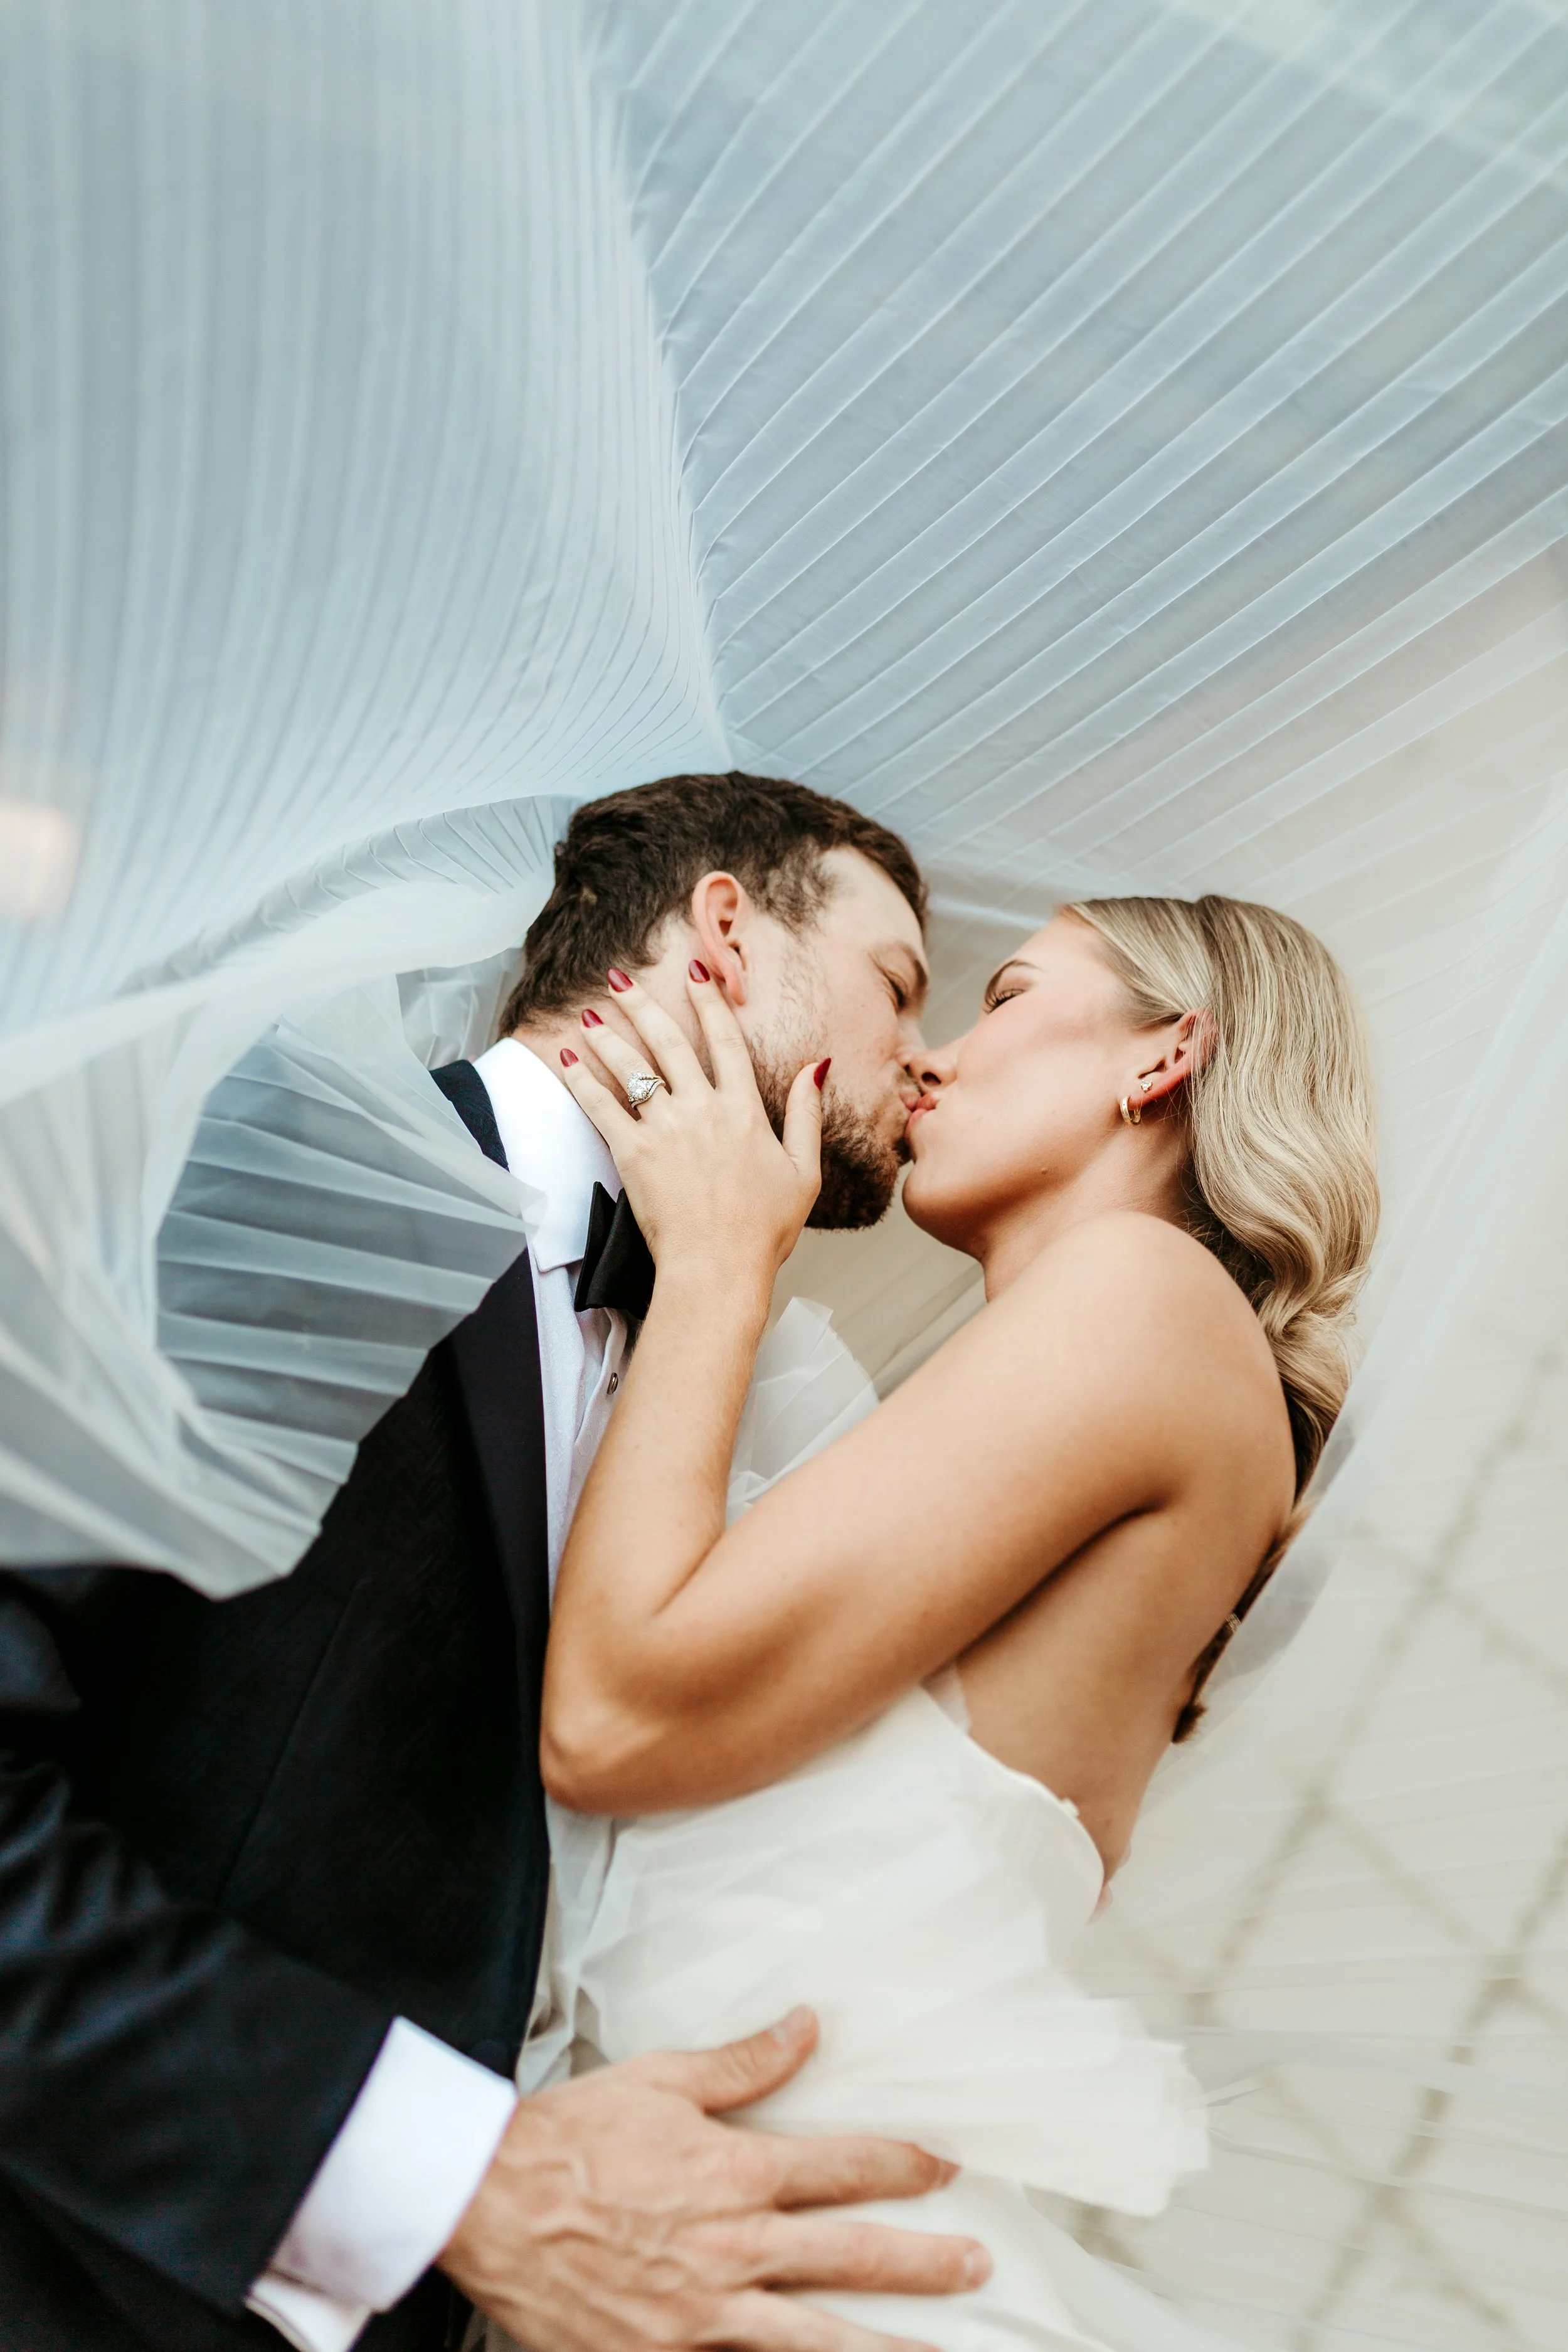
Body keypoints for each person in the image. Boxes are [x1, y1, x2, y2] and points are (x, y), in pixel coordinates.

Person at [0, 773, 989, 2352]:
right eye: (896, 984)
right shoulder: (280, 1160)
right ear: (724, 932)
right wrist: (456, 2184)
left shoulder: (726, 1383)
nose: (923, 1055)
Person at [533, 893, 1380, 2348]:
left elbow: (613, 1720)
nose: (928, 1056)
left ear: (1162, 1056)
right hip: (728, 2250)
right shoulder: (1145, 1372)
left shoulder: (1146, 1295)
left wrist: (719, 1264)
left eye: (1003, 997)